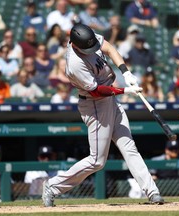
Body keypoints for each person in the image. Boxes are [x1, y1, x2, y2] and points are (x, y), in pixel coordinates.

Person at [42, 23, 164, 207]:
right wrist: (124, 90)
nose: (92, 49)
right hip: (95, 105)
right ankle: (53, 186)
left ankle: (152, 192)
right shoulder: (75, 64)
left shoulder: (86, 37)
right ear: (75, 45)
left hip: (110, 100)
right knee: (97, 161)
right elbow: (96, 91)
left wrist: (125, 71)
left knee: (129, 147)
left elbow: (109, 48)